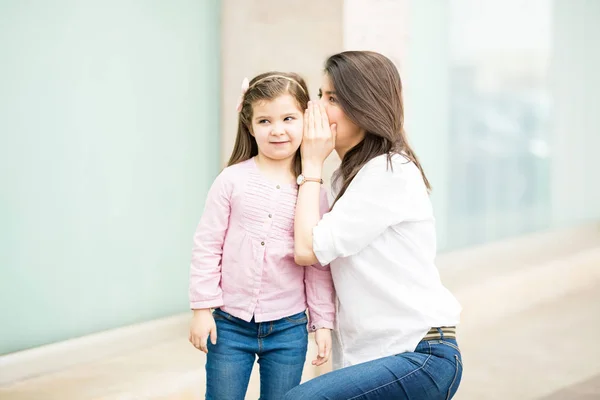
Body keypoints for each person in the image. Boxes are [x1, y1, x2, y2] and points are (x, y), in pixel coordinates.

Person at [286, 51, 463, 399]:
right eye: (321, 96)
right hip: (377, 358)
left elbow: (307, 248)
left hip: (419, 354)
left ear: (363, 106)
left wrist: (310, 163)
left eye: (332, 98)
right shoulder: (342, 177)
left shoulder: (388, 171)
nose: (319, 109)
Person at [188, 72, 336, 400]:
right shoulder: (231, 181)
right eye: (265, 120)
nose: (277, 129)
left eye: (288, 118)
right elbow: (207, 245)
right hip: (229, 326)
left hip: (288, 328)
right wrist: (202, 309)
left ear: (306, 121)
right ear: (250, 126)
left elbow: (317, 264)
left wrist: (322, 322)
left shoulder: (313, 192)